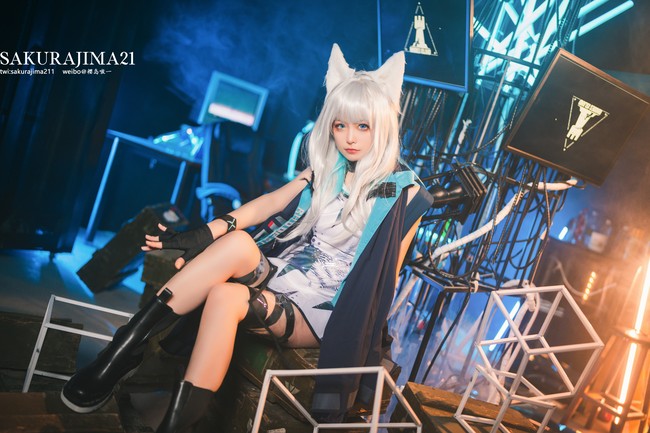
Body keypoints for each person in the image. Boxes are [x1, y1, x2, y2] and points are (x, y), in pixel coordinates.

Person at [60, 43, 433, 432]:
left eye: (362, 126)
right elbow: (268, 204)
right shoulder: (329, 170)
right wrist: (202, 234)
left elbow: (383, 282)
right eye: (340, 126)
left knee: (228, 286)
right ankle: (122, 358)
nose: (349, 138)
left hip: (329, 308)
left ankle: (130, 372)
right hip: (291, 273)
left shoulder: (404, 193)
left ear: (382, 125)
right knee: (232, 263)